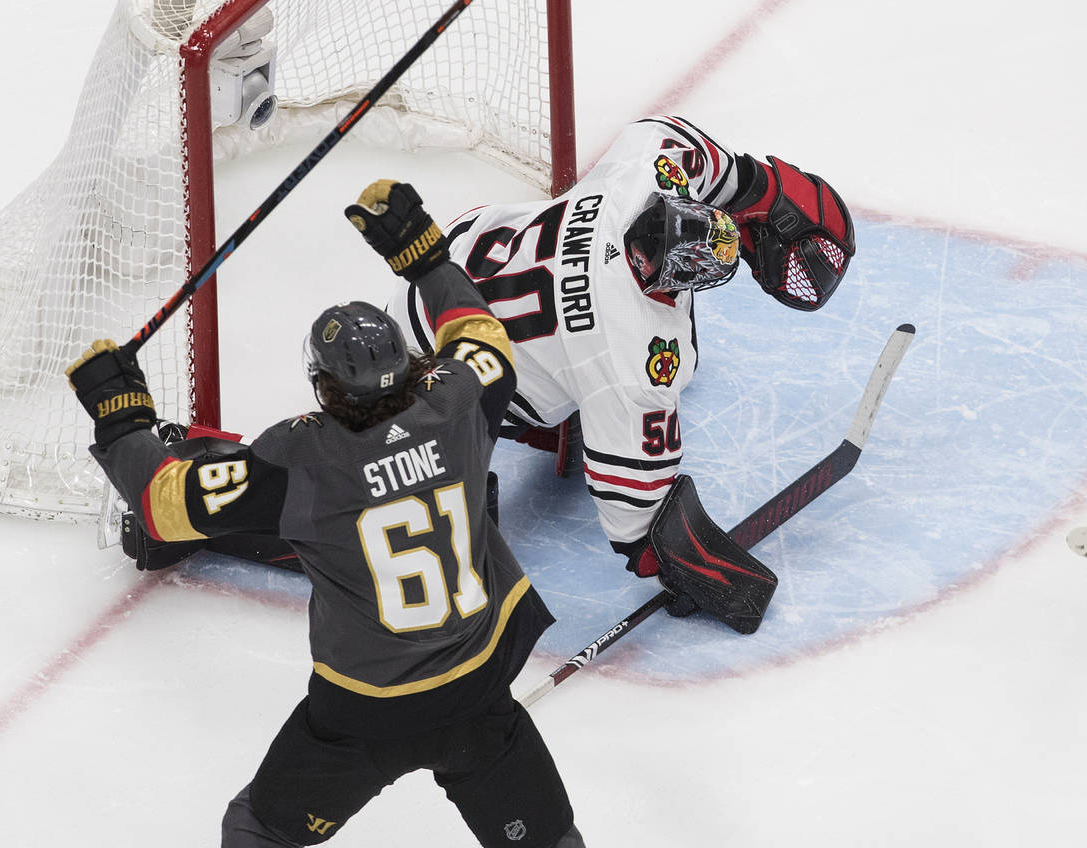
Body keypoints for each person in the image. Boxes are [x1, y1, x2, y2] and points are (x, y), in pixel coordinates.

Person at [66, 180, 586, 848]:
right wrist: (423, 258)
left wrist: (122, 419)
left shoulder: (300, 461)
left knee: (257, 829)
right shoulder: (460, 403)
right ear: (406, 365)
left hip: (362, 713)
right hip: (478, 694)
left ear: (322, 386)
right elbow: (481, 338)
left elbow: (166, 507)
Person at [386, 114, 855, 590]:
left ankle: (564, 389)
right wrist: (707, 577)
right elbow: (640, 530)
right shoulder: (631, 358)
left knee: (591, 359)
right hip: (435, 371)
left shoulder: (640, 173)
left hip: (450, 262)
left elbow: (676, 139)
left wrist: (760, 190)